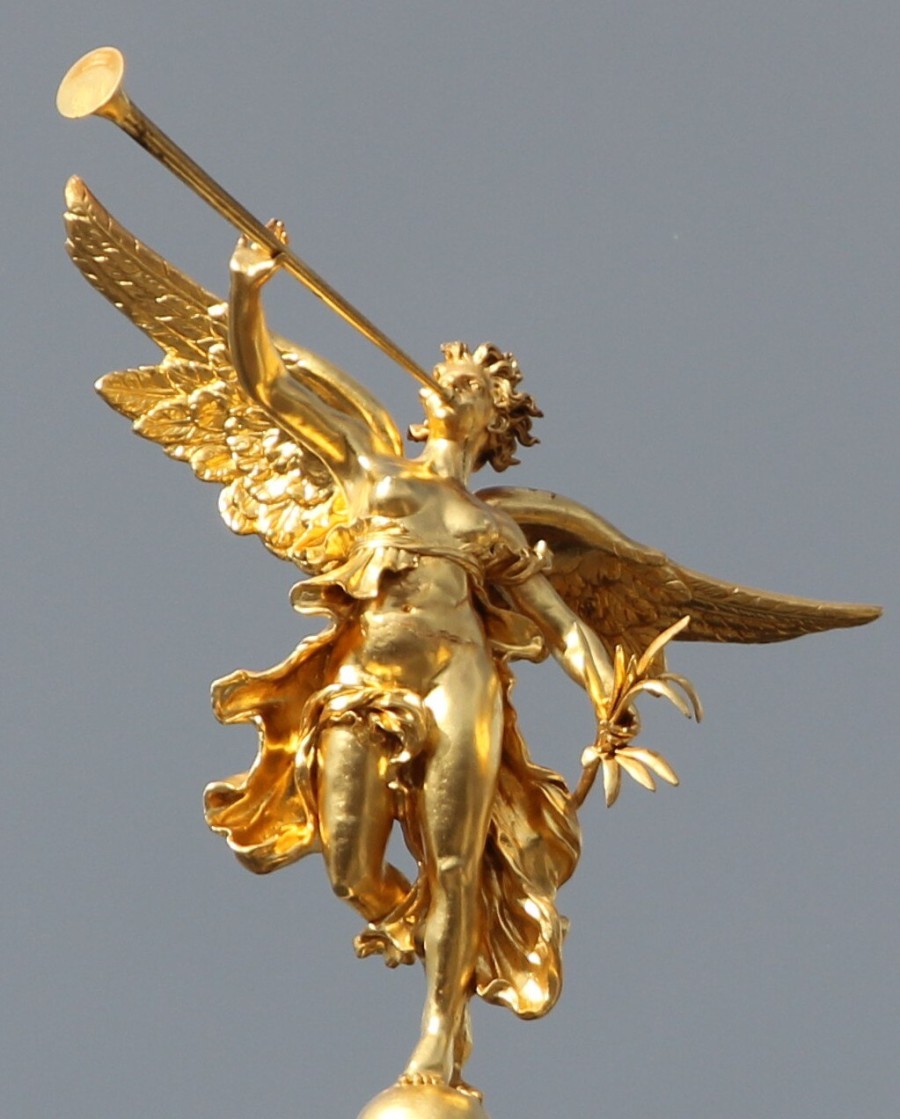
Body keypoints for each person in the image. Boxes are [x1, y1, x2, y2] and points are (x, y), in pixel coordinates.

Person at [204, 224, 617, 1091]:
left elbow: (559, 624)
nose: (445, 383)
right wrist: (247, 288)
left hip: (460, 676)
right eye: (445, 376)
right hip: (368, 679)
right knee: (351, 867)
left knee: (456, 861)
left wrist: (608, 694)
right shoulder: (377, 472)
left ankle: (439, 1036)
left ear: (489, 421)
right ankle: (440, 940)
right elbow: (266, 384)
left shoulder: (494, 526)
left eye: (467, 384)